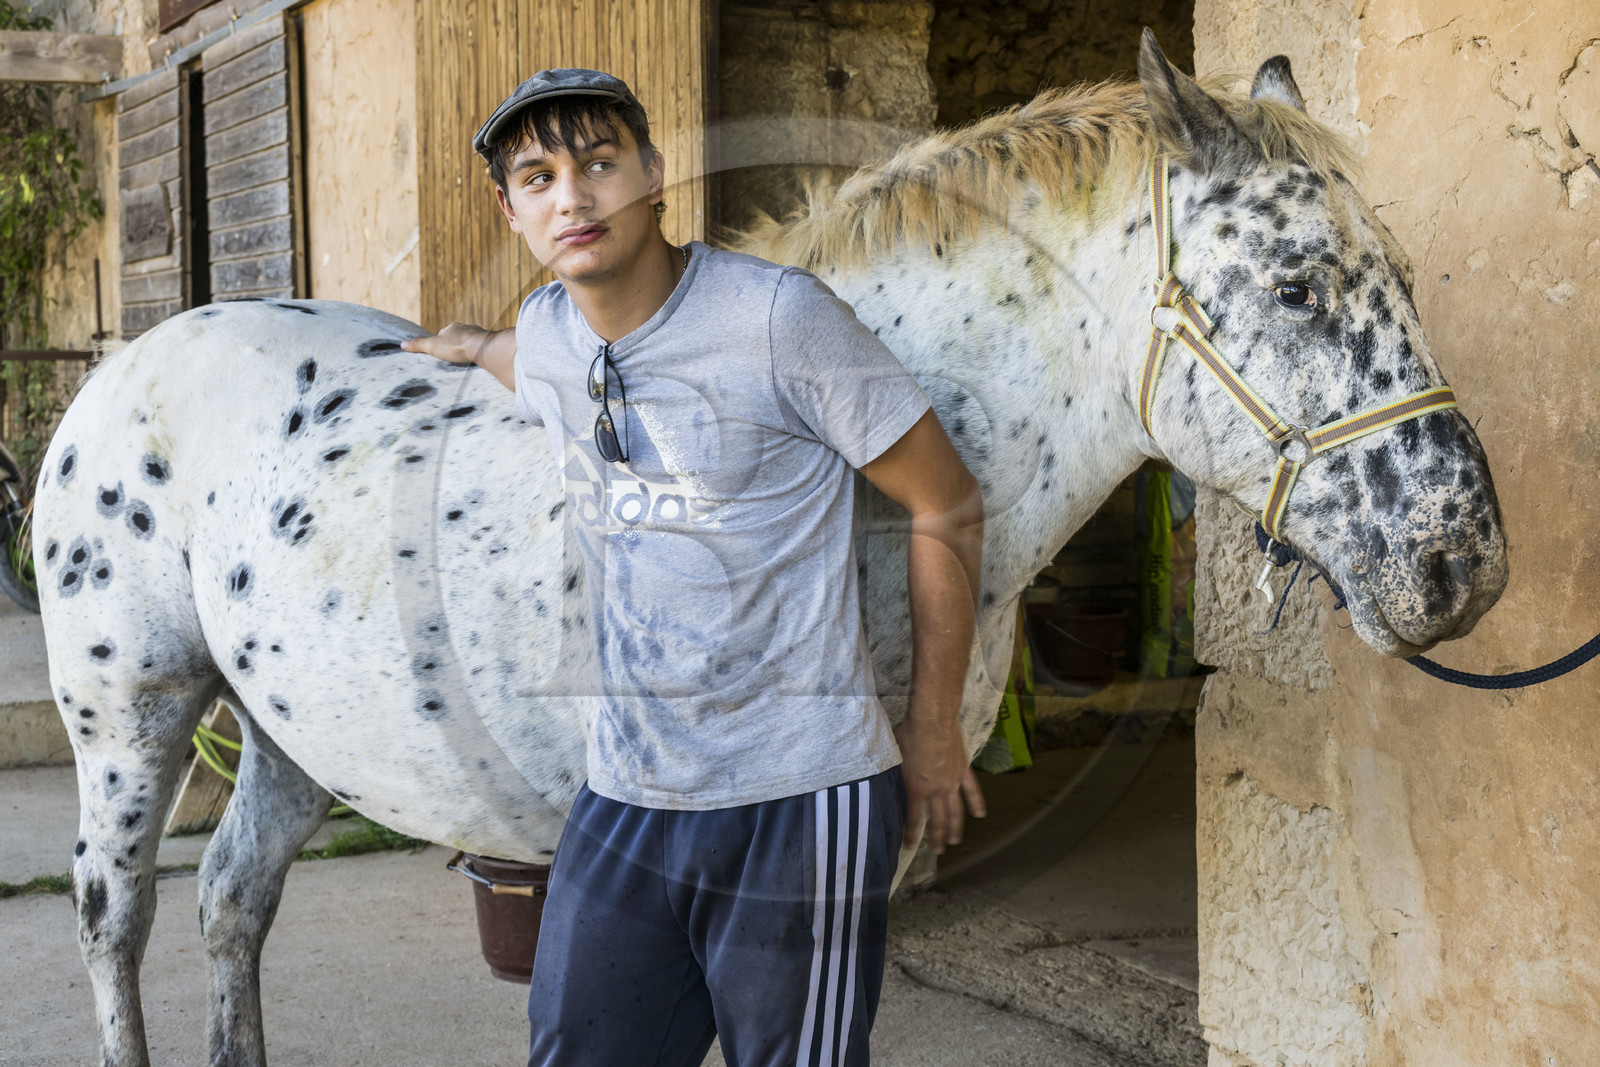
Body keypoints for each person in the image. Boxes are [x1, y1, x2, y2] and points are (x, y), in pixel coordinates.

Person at [402, 68, 985, 1067]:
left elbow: (946, 499)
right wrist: (468, 342)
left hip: (800, 794)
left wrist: (934, 729)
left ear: (653, 175)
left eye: (597, 164)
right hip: (628, 790)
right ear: (511, 211)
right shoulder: (546, 333)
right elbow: (517, 353)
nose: (572, 198)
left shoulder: (777, 319)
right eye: (537, 178)